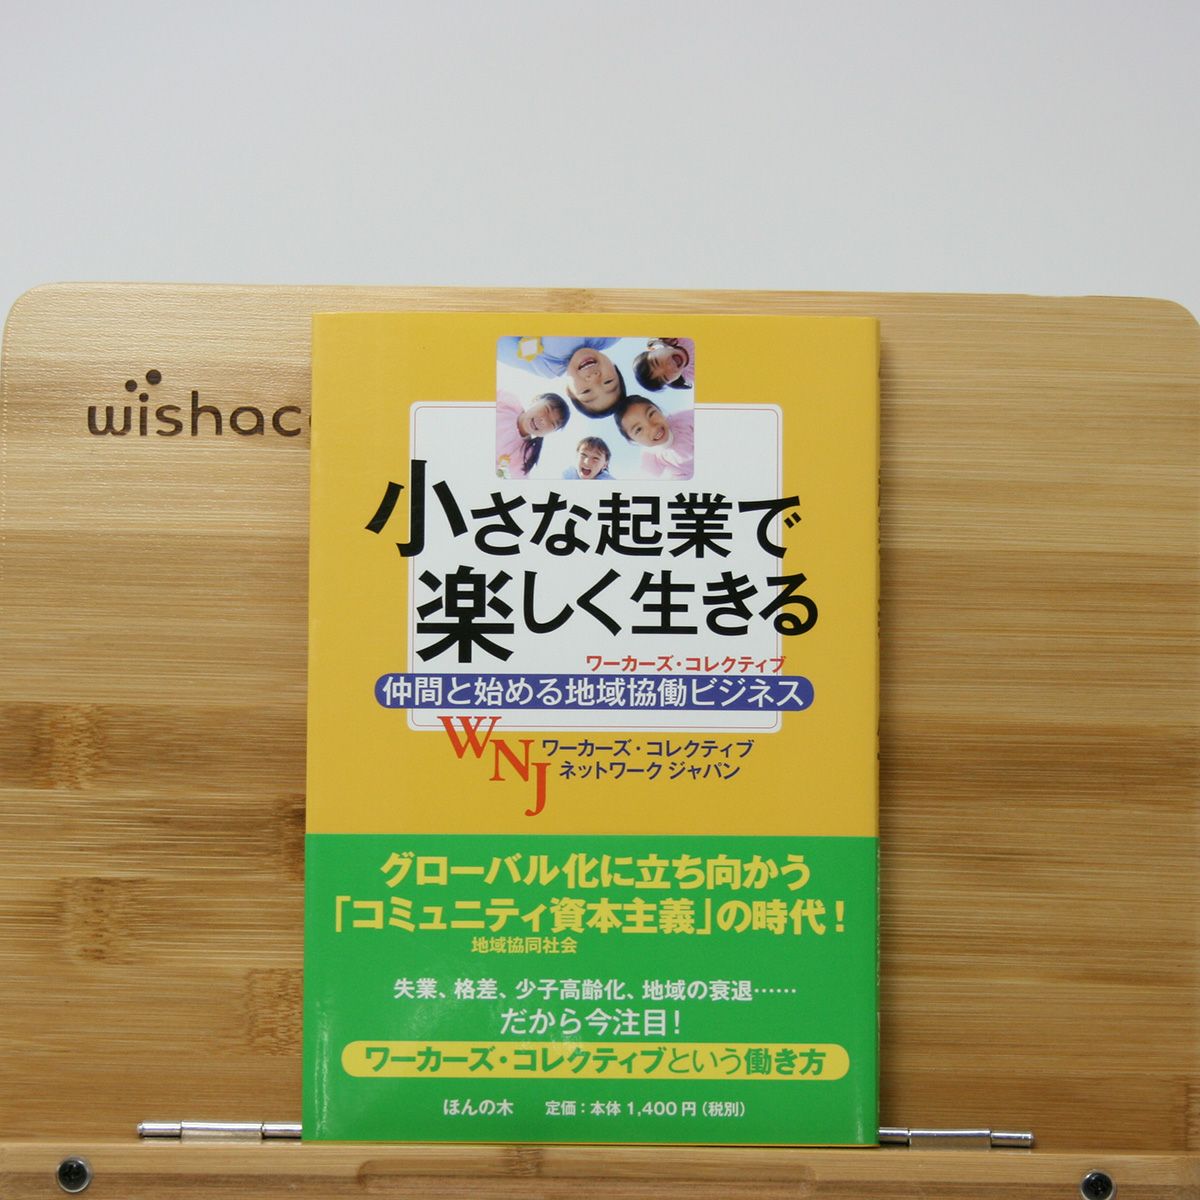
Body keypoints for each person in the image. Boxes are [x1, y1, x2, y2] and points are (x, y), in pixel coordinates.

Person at [495, 336, 626, 417]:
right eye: (608, 382)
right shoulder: (609, 334)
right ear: (614, 367)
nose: (593, 377)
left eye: (586, 391)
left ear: (570, 391)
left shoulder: (547, 367)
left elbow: (499, 345)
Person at [614, 397, 694, 479]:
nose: (653, 428)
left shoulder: (683, 420)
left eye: (651, 414)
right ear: (632, 440)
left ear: (659, 410)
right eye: (639, 429)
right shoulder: (651, 459)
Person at [495, 391, 569, 478]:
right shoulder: (508, 402)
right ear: (535, 400)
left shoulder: (525, 457)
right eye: (546, 410)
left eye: (552, 424)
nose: (544, 421)